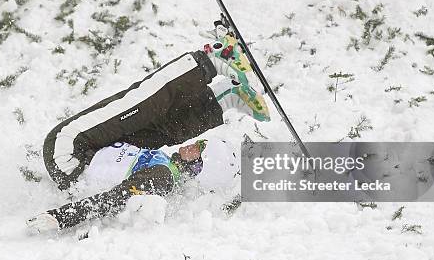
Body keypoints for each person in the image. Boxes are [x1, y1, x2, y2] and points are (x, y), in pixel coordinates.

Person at [26, 34, 270, 234]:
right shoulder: (164, 166)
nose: (195, 144)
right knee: (164, 129)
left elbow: (115, 198)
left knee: (139, 106)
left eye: (201, 149)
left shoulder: (162, 176)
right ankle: (227, 98)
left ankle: (213, 59)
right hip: (91, 156)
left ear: (200, 166)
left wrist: (62, 217)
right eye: (203, 142)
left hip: (69, 153)